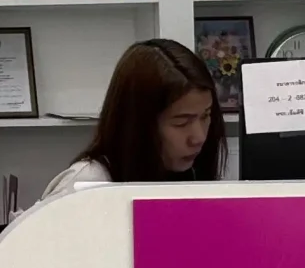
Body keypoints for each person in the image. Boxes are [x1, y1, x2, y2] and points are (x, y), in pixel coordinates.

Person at [44, 38, 226, 196]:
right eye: (181, 123)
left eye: (206, 116)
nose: (199, 137)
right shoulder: (86, 184)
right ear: (137, 125)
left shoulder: (189, 172)